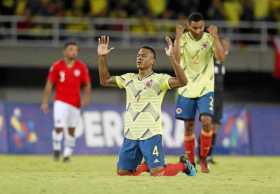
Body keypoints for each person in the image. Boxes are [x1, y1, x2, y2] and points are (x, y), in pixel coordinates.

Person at [97, 29, 196, 176]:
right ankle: (145, 166)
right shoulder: (128, 78)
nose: (139, 57)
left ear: (152, 60)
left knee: (157, 172)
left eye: (144, 55)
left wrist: (172, 59)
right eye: (138, 55)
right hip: (131, 134)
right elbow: (104, 80)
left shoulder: (159, 79)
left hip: (151, 134)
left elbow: (182, 81)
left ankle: (183, 166)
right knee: (123, 173)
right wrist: (102, 57)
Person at [175, 12, 225, 173]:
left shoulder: (209, 39)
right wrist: (177, 37)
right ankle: (190, 164)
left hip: (205, 89)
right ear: (189, 26)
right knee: (188, 127)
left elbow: (221, 57)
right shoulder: (182, 39)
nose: (198, 30)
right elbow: (175, 58)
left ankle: (203, 159)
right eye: (194, 27)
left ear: (204, 26)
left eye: (201, 27)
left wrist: (216, 36)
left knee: (206, 121)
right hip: (186, 88)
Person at [41, 42, 92, 162]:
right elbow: (49, 84)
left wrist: (86, 98)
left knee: (71, 129)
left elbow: (87, 85)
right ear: (64, 51)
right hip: (60, 101)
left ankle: (67, 154)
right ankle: (57, 149)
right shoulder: (57, 66)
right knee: (59, 126)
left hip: (75, 103)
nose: (73, 52)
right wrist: (45, 101)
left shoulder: (81, 67)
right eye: (71, 49)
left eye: (75, 50)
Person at [198, 38, 230, 164]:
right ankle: (201, 155)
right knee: (207, 126)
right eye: (224, 46)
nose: (226, 49)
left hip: (219, 98)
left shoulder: (222, 61)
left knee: (215, 127)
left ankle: (209, 156)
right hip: (209, 96)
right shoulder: (209, 60)